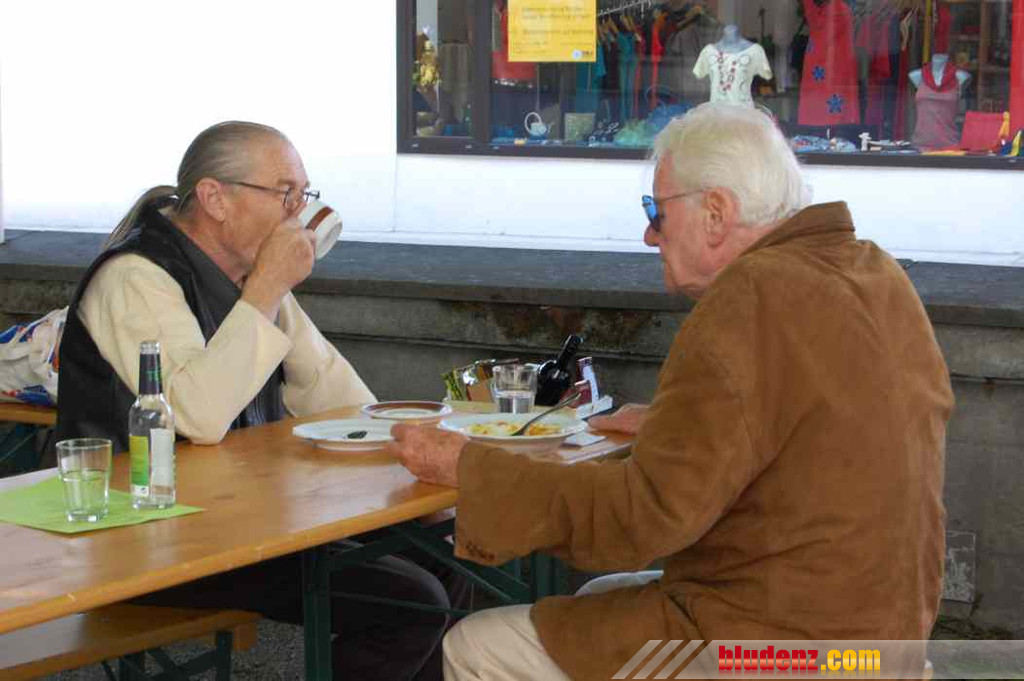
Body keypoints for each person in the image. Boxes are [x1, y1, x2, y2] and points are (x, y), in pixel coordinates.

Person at [388, 103, 953, 680]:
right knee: (599, 597)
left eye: (655, 212)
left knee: (476, 645)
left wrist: (470, 469)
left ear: (716, 213)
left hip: (785, 647)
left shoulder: (749, 296)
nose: (648, 235)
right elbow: (821, 422)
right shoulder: (875, 272)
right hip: (881, 632)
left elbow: (640, 520)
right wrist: (675, 423)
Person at [55, 121, 465, 680]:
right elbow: (196, 415)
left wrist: (413, 459)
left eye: (303, 193)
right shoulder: (134, 277)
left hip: (244, 515)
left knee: (448, 554)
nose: (298, 211)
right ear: (214, 198)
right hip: (148, 534)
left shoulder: (245, 279)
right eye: (284, 192)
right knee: (410, 601)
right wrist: (268, 286)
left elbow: (326, 384)